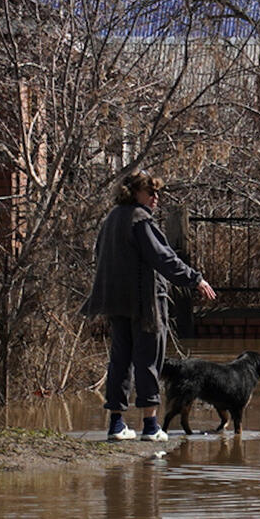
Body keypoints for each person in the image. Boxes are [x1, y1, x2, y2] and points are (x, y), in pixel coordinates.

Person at [81, 171, 217, 441]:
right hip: (145, 303)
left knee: (120, 360)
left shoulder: (111, 219)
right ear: (134, 192)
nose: (156, 197)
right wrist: (196, 279)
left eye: (157, 192)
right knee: (149, 360)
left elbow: (100, 255)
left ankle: (116, 424)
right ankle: (150, 426)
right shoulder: (140, 220)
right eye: (150, 192)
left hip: (116, 301)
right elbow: (164, 258)